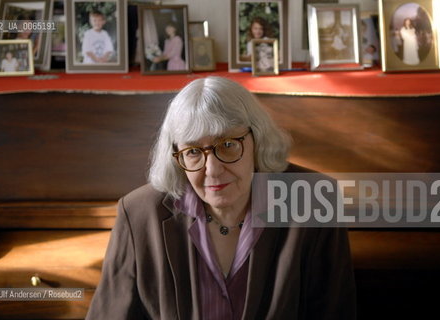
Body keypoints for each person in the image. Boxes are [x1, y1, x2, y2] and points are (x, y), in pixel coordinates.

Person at [85, 76, 356, 319]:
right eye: (193, 152)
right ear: (177, 157)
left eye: (227, 145)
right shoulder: (139, 214)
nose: (212, 170)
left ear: (257, 140)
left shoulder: (314, 200)